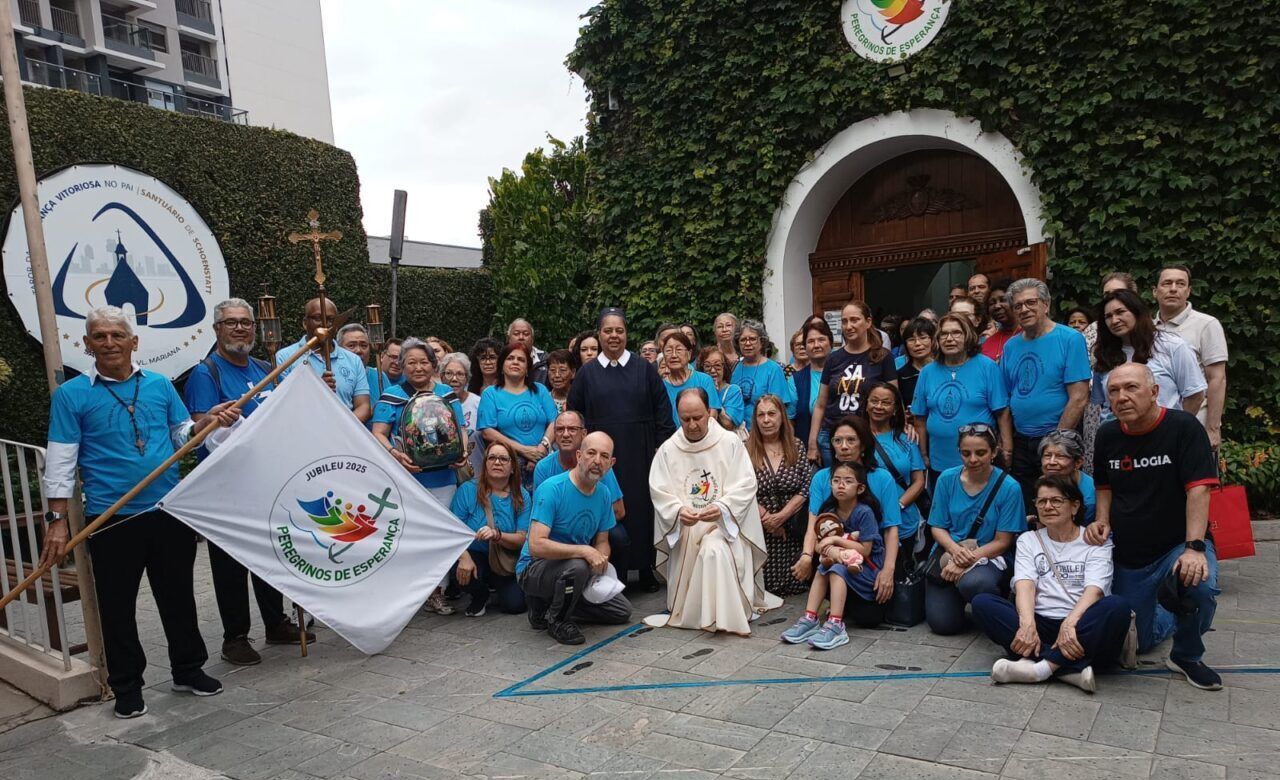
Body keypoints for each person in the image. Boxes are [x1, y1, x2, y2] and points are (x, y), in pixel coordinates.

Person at [41, 306, 241, 718]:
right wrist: (57, 520)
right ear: (87, 344)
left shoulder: (160, 385)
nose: (109, 343)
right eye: (100, 336)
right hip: (111, 518)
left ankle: (188, 669)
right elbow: (61, 461)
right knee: (117, 606)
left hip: (167, 510)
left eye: (117, 335)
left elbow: (181, 433)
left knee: (178, 596)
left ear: (134, 342)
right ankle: (128, 686)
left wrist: (209, 423)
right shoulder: (71, 395)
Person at [184, 299, 311, 666]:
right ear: (217, 330)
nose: (239, 329)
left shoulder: (266, 368)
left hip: (267, 482)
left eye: (245, 323)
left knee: (272, 554)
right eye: (231, 323)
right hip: (227, 489)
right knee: (231, 564)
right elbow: (200, 430)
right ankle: (235, 637)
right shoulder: (207, 373)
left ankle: (276, 622)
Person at [1085, 364, 1223, 690]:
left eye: (1131, 388)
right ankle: (1173, 614)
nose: (1122, 397)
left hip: (1177, 544)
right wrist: (1101, 521)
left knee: (1199, 585)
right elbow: (1104, 486)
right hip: (1130, 554)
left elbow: (1199, 489)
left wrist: (1194, 548)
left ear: (1154, 392)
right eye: (1114, 391)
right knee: (1141, 641)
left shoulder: (1184, 428)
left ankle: (1187, 654)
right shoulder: (1107, 434)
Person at [972, 475, 1130, 692]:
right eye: (1041, 501)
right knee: (983, 603)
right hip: (1041, 625)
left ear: (1074, 506)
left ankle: (1040, 669)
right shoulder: (1029, 540)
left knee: (1117, 606)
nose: (1048, 506)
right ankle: (1069, 670)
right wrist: (1027, 624)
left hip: (1083, 627)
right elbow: (1025, 584)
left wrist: (1070, 623)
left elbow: (1095, 590)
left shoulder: (1094, 541)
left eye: (1056, 501)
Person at [649, 389, 780, 634]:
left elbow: (746, 484)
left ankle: (723, 614)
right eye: (685, 419)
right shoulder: (669, 449)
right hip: (687, 526)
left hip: (724, 526)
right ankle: (694, 609)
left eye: (697, 417)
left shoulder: (729, 442)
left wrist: (722, 508)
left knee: (714, 550)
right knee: (693, 539)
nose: (692, 425)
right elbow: (659, 490)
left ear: (709, 412)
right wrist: (678, 512)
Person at [568, 308, 675, 592]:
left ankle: (646, 568)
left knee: (643, 512)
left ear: (626, 333)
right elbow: (575, 416)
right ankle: (616, 570)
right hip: (600, 462)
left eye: (619, 330)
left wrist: (659, 453)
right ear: (599, 334)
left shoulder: (644, 369)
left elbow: (663, 415)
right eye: (608, 330)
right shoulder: (587, 374)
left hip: (641, 456)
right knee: (609, 514)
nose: (614, 336)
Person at [518, 431, 633, 644]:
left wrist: (601, 560)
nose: (597, 461)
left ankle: (551, 603)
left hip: (573, 569)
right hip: (534, 568)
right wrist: (585, 552)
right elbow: (536, 545)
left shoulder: (604, 494)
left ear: (611, 463)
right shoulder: (552, 489)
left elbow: (602, 541)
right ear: (579, 456)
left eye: (604, 456)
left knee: (621, 611)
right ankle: (557, 621)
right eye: (591, 453)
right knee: (578, 566)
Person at [925, 423, 1027, 635]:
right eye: (966, 453)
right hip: (950, 551)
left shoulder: (1009, 487)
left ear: (994, 452)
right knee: (943, 625)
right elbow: (937, 527)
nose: (973, 459)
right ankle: (955, 602)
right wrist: (955, 552)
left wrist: (965, 560)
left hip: (990, 555)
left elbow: (1003, 541)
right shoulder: (946, 479)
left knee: (975, 583)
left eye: (981, 453)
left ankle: (995, 604)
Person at [793, 415, 904, 606]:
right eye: (838, 441)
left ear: (863, 446)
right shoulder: (821, 478)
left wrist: (888, 570)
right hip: (831, 552)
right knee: (808, 559)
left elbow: (891, 529)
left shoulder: (882, 478)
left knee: (868, 618)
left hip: (869, 557)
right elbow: (813, 524)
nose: (844, 446)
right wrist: (806, 556)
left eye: (851, 440)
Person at [1001, 279, 1091, 508]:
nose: (1024, 309)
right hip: (1022, 440)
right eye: (1018, 305)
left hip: (1057, 439)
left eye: (1031, 302)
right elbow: (1008, 398)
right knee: (1027, 505)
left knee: (1058, 502)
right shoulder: (1011, 346)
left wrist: (1055, 444)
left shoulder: (1070, 339)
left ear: (1046, 304)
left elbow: (1079, 397)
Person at [781, 461, 887, 648]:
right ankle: (810, 618)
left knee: (837, 569)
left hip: (867, 568)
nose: (841, 484)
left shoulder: (865, 512)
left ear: (860, 488)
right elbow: (820, 543)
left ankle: (836, 624)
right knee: (823, 567)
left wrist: (836, 541)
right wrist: (827, 548)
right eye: (836, 480)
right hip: (843, 562)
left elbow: (865, 550)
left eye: (848, 481)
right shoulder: (830, 513)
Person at [911, 314, 1011, 483]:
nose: (949, 339)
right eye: (943, 334)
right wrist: (923, 455)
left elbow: (1002, 413)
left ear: (968, 336)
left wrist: (1007, 450)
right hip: (939, 463)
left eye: (956, 333)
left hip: (979, 462)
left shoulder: (987, 367)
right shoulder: (927, 372)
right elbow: (919, 419)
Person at [371, 337, 469, 507]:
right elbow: (378, 433)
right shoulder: (391, 395)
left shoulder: (446, 393)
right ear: (402, 366)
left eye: (424, 362)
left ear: (433, 364)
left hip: (445, 480)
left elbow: (461, 429)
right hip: (405, 479)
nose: (418, 368)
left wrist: (463, 451)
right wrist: (395, 454)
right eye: (411, 363)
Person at [1093, 289, 1206, 424]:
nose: (1114, 320)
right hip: (1118, 438)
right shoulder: (1104, 354)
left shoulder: (1172, 346)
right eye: (1108, 316)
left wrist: (1176, 429)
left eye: (1120, 312)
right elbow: (1103, 403)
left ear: (1137, 312)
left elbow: (1195, 395)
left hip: (1164, 436)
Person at [808, 302, 897, 467]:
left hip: (867, 436)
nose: (849, 326)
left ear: (868, 322)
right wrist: (813, 444)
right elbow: (821, 404)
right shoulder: (833, 359)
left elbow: (894, 400)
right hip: (832, 437)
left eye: (854, 320)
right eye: (844, 321)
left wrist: (901, 429)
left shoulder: (883, 357)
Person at [450, 441, 531, 616]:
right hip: (474, 554)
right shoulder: (467, 490)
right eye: (492, 457)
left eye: (503, 459)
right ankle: (480, 594)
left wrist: (497, 535)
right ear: (485, 464)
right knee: (459, 570)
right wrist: (464, 558)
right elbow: (452, 531)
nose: (497, 462)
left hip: (505, 556)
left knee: (516, 606)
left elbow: (522, 539)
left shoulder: (522, 495)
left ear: (513, 468)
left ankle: (497, 585)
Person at [1154, 266, 1228, 449]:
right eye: (1167, 283)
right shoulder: (1147, 328)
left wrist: (1212, 428)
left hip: (1196, 421)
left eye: (1180, 284)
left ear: (1188, 292)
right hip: (1156, 425)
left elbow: (1217, 378)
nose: (1173, 288)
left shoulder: (1207, 325)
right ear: (1155, 291)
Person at [747, 394, 813, 596]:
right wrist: (768, 519)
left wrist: (781, 517)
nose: (766, 420)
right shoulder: (744, 449)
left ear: (782, 417)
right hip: (759, 529)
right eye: (761, 415)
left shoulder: (797, 446)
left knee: (797, 585)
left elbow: (805, 487)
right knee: (764, 586)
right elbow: (740, 489)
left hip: (792, 528)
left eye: (771, 414)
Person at [275, 297, 371, 422]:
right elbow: (282, 403)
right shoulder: (286, 357)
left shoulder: (353, 360)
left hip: (343, 433)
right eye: (317, 318)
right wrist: (317, 389)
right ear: (305, 323)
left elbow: (363, 406)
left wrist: (343, 427)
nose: (325, 325)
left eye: (331, 320)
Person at [1083, 273, 1140, 472]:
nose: (1111, 298)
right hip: (1104, 415)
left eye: (1118, 293)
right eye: (1107, 294)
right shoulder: (1093, 332)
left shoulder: (1158, 338)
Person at [478, 342, 558, 484]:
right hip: (509, 465)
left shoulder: (540, 390)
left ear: (527, 368)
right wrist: (524, 451)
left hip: (543, 461)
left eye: (521, 360)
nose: (515, 362)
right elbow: (487, 431)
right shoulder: (491, 394)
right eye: (510, 358)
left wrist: (543, 447)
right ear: (502, 366)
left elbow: (555, 421)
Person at [867, 383, 927, 564]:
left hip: (904, 517)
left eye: (886, 402)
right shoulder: (856, 437)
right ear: (866, 403)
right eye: (874, 401)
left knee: (901, 573)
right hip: (868, 519)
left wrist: (897, 506)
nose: (879, 406)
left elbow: (918, 481)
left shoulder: (906, 438)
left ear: (895, 409)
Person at [534, 411, 626, 525]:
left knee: (618, 537)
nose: (566, 434)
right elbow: (540, 513)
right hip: (555, 530)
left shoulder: (598, 464)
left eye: (572, 429)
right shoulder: (544, 467)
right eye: (560, 429)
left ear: (584, 433)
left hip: (592, 525)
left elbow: (618, 511)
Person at [731, 320, 795, 429]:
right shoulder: (737, 367)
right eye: (742, 340)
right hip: (740, 433)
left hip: (765, 431)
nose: (747, 343)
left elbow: (779, 406)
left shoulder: (773, 369)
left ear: (762, 342)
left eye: (752, 339)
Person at [661, 331, 721, 427]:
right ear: (663, 355)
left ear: (689, 354)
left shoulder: (704, 380)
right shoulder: (660, 386)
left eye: (679, 350)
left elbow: (712, 415)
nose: (674, 355)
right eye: (668, 351)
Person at [792, 319, 832, 462]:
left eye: (821, 339)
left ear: (830, 342)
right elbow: (790, 422)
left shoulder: (843, 373)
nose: (816, 345)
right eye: (810, 341)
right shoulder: (795, 380)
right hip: (808, 454)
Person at [1038, 429, 1096, 524]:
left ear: (1078, 462)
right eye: (1047, 456)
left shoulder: (1089, 498)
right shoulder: (1043, 481)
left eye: (1060, 456)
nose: (1051, 462)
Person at [441, 352, 483, 476]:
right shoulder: (434, 404)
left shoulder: (479, 403)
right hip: (445, 475)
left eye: (460, 374)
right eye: (449, 373)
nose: (454, 379)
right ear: (441, 377)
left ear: (467, 378)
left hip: (476, 473)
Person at [895, 317, 935, 418]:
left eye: (923, 338)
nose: (917, 344)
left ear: (933, 340)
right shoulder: (901, 376)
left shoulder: (945, 371)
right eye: (911, 340)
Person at [700, 346, 745, 431]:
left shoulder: (733, 391)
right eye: (707, 366)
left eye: (717, 366)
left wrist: (713, 395)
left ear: (724, 368)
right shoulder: (697, 390)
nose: (713, 370)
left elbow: (728, 425)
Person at [980, 278, 1020, 363]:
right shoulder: (987, 344)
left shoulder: (1031, 335)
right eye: (992, 303)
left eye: (1003, 300)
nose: (997, 306)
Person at [507, 318, 548, 385]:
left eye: (526, 334)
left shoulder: (546, 360)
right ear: (508, 338)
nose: (521, 337)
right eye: (516, 334)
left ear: (532, 339)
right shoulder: (501, 359)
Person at [545, 349, 575, 413]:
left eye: (562, 370)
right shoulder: (544, 399)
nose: (557, 375)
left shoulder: (580, 399)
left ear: (573, 372)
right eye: (552, 370)